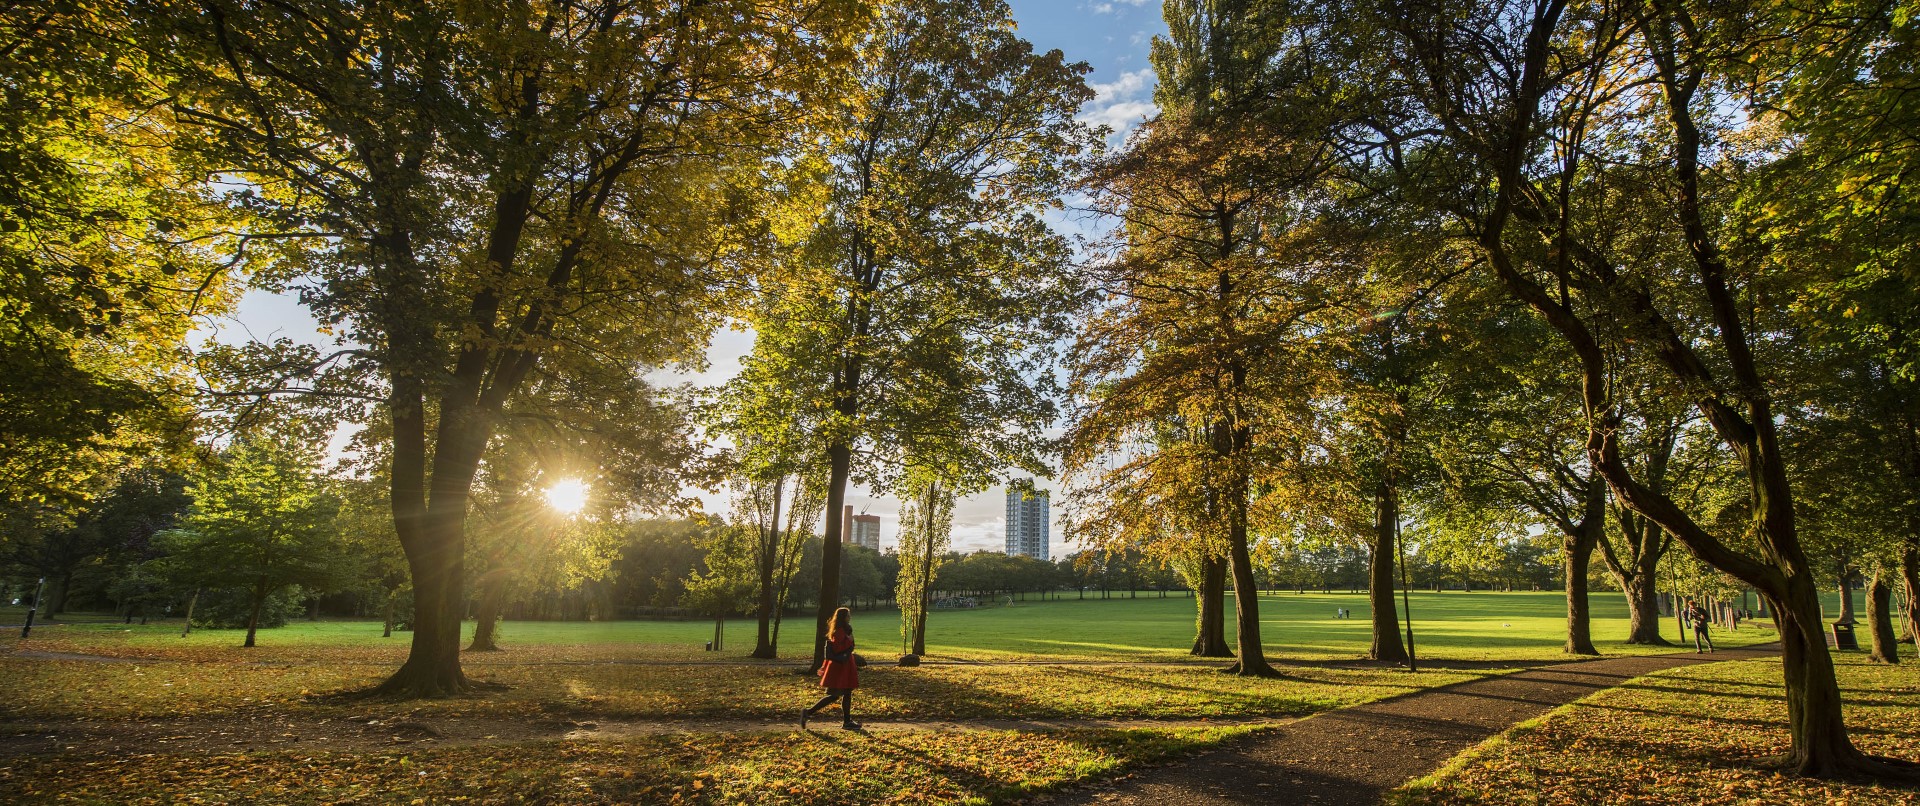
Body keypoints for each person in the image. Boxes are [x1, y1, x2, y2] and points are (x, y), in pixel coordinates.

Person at [802, 606, 860, 730]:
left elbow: (849, 645)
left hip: (845, 664)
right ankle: (808, 712)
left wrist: (850, 641)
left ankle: (847, 721)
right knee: (835, 695)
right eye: (848, 615)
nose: (850, 617)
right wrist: (849, 641)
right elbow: (838, 648)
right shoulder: (839, 631)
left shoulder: (845, 629)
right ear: (843, 617)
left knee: (846, 693)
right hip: (840, 667)